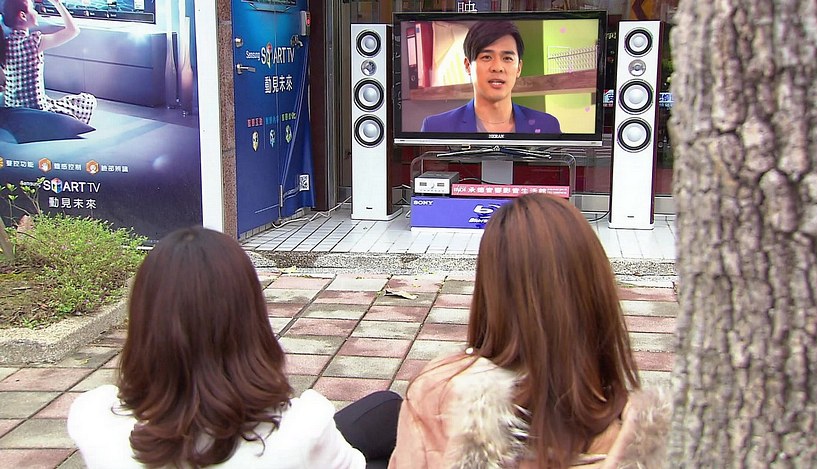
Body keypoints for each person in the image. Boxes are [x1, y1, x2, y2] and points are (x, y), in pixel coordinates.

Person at [67, 226, 400, 468]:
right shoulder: (303, 427)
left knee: (385, 408)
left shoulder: (92, 417)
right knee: (389, 420)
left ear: (144, 320)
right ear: (250, 317)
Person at [389, 194, 670, 468]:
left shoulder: (436, 393)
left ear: (490, 292)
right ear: (598, 293)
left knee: (383, 410)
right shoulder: (656, 441)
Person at [420, 21, 561, 134]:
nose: (497, 67)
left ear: (519, 68)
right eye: (487, 57)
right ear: (468, 66)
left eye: (507, 58)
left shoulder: (547, 126)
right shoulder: (435, 127)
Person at [1, 0, 96, 123]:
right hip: (38, 112)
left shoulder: (4, 44)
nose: (36, 12)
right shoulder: (33, 42)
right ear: (22, 16)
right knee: (88, 100)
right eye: (33, 9)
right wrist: (57, 3)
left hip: (13, 113)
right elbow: (73, 30)